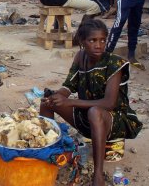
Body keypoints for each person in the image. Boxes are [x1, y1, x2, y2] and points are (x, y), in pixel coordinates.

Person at [40, 19, 142, 186]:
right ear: (82, 42)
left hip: (114, 120)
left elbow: (109, 103)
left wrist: (70, 102)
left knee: (95, 111)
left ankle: (98, 176)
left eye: (103, 40)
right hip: (86, 116)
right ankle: (46, 154)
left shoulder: (114, 63)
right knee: (47, 103)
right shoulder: (80, 57)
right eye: (92, 40)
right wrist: (58, 96)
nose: (99, 45)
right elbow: (69, 85)